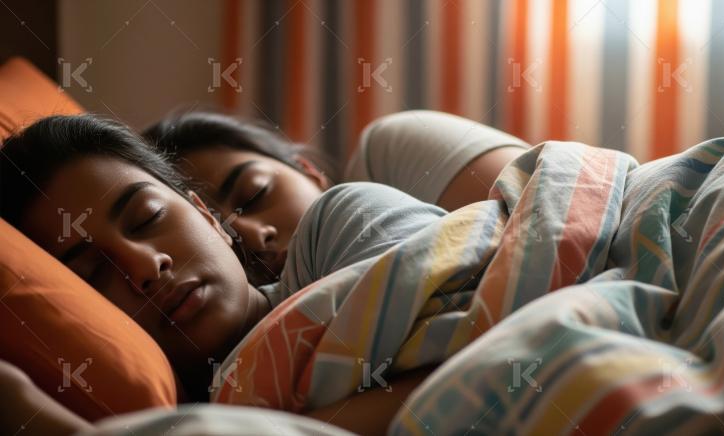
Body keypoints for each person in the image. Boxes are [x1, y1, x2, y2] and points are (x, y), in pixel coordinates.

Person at [0, 115, 447, 433]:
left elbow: (470, 346)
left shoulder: (341, 223)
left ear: (207, 216)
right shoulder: (177, 412)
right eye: (94, 272)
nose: (146, 267)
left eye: (147, 218)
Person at [143, 110, 530, 286]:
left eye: (256, 193)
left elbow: (554, 207)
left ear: (307, 169)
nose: (253, 236)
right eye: (213, 226)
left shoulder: (389, 154)